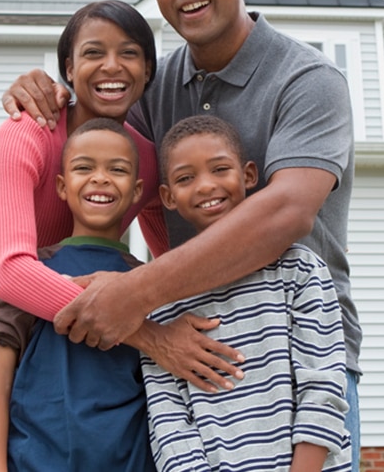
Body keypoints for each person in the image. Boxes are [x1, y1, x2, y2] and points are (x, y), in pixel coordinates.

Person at [3, 0, 362, 468]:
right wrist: (49, 89)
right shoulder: (155, 88)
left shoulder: (308, 80)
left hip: (295, 361)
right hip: (186, 351)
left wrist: (136, 292)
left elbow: (286, 212)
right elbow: (99, 141)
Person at [0, 0, 244, 472]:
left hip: (51, 356)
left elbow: (176, 259)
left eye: (128, 53)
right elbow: (11, 276)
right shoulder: (26, 134)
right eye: (92, 53)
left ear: (148, 70)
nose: (111, 66)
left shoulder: (143, 158)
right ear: (67, 67)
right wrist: (145, 331)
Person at [145, 115, 350, 472]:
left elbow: (322, 388)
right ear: (168, 196)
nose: (206, 186)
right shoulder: (162, 303)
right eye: (185, 178)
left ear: (249, 175)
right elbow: (169, 425)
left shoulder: (299, 271)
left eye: (220, 169)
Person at [0, 119, 158, 472]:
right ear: (62, 186)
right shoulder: (32, 271)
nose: (100, 178)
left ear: (137, 191)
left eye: (116, 169)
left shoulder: (148, 283)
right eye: (84, 167)